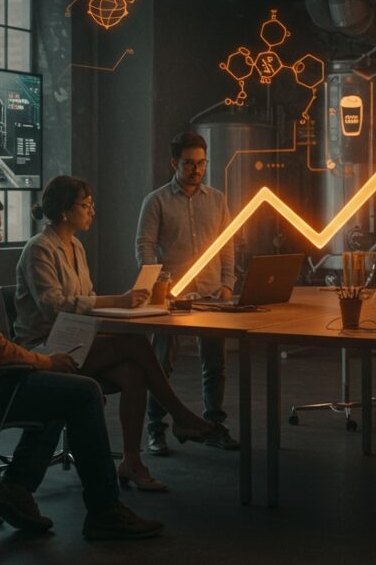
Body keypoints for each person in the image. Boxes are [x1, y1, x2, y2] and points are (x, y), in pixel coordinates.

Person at [0, 190, 160, 539]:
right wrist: (44, 362)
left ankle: (15, 489)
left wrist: (41, 366)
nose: (0, 236)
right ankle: (105, 510)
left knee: (59, 392)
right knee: (83, 392)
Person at [14, 175, 231, 491]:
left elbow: (84, 299)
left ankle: (132, 462)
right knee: (136, 344)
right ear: (64, 211)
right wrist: (118, 301)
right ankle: (181, 416)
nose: (92, 211)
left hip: (75, 338)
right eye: (85, 206)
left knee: (132, 373)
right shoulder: (39, 249)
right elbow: (54, 307)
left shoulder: (75, 246)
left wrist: (125, 305)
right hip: (45, 346)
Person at [135, 132, 240, 455]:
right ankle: (156, 429)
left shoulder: (217, 200)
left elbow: (226, 244)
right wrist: (158, 286)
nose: (197, 170)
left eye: (201, 163)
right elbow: (144, 246)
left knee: (215, 365)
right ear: (174, 163)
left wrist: (227, 283)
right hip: (172, 299)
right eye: (189, 164)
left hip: (211, 294)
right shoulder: (156, 201)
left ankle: (213, 426)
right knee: (161, 365)